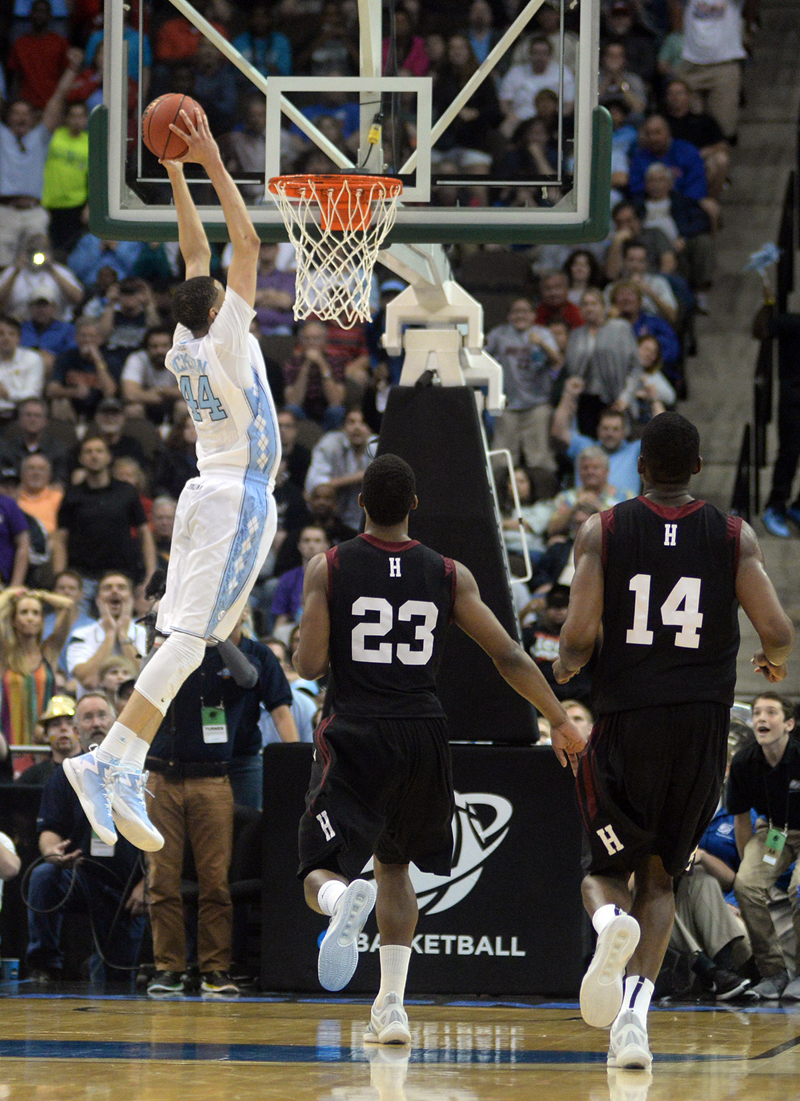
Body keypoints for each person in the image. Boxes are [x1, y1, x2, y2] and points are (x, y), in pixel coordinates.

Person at [293, 453, 585, 1041]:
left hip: (357, 727)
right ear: (415, 507)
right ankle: (392, 1009)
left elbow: (309, 662)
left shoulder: (330, 567)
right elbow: (507, 654)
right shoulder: (450, 573)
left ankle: (339, 901)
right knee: (396, 865)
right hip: (424, 732)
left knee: (317, 866)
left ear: (361, 504)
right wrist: (558, 718)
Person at [62, 106, 281, 857]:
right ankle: (108, 760)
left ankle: (118, 761)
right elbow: (242, 241)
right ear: (223, 309)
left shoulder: (187, 338)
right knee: (192, 639)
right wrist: (213, 158)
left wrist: (175, 171)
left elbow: (196, 250)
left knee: (193, 637)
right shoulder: (222, 332)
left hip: (202, 491)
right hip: (236, 494)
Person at [553, 411, 794, 1069]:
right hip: (699, 729)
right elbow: (776, 629)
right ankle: (633, 1018)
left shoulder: (600, 529)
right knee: (662, 877)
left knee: (602, 872)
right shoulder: (732, 535)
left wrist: (567, 669)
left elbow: (574, 639)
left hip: (626, 721)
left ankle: (608, 926)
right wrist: (772, 660)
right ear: (695, 468)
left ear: (639, 466)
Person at [25, 691, 146, 984]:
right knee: (43, 875)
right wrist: (54, 853)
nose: (96, 723)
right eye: (88, 718)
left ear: (116, 722)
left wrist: (149, 883)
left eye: (102, 715)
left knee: (118, 977)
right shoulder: (66, 774)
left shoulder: (141, 768)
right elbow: (48, 831)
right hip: (81, 876)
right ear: (78, 730)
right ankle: (45, 966)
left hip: (130, 884)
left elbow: (167, 839)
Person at [729, 693, 800, 1000]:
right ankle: (774, 973)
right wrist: (753, 871)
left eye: (771, 712)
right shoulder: (744, 762)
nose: (761, 718)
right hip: (775, 834)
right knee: (746, 884)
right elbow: (742, 819)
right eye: (757, 712)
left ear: (789, 724)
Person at [486, 298, 562, 474]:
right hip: (508, 404)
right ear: (509, 316)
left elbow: (557, 360)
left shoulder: (543, 334)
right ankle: (501, 496)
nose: (520, 315)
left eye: (525, 311)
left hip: (537, 404)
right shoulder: (500, 334)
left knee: (539, 457)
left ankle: (542, 496)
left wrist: (541, 344)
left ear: (533, 315)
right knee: (500, 458)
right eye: (515, 311)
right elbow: (479, 353)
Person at [0, 585, 74, 745]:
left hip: (44, 742)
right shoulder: (5, 655)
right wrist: (10, 594)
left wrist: (40, 594)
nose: (30, 618)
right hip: (10, 740)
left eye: (36, 613)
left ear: (42, 620)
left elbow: (67, 605)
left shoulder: (48, 652)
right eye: (23, 612)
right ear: (13, 620)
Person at [66, 572, 148, 691]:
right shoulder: (81, 634)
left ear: (131, 599)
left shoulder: (145, 634)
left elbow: (146, 678)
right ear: (98, 599)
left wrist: (123, 636)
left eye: (121, 587)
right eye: (107, 588)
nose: (114, 591)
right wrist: (110, 634)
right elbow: (87, 680)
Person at [305, 407, 375, 530]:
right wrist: (359, 477)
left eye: (362, 423)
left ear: (370, 428)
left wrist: (335, 482)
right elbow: (315, 484)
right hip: (334, 517)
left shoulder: (376, 447)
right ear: (343, 427)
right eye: (351, 422)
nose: (357, 427)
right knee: (322, 495)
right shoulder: (330, 443)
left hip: (367, 520)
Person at [15, 694, 79, 785]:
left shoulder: (95, 770)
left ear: (79, 731)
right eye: (55, 724)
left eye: (70, 723)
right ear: (45, 735)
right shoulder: (32, 776)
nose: (63, 728)